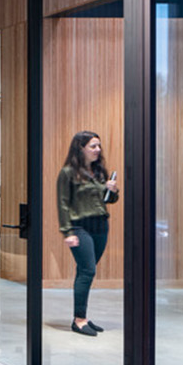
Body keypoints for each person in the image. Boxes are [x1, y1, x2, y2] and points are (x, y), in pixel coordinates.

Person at [57, 131, 119, 336]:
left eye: (98, 146)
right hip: (79, 226)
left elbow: (107, 201)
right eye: (93, 146)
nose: (98, 150)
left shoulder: (98, 171)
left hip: (100, 225)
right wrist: (67, 231)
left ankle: (82, 315)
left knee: (86, 271)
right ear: (80, 148)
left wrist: (112, 190)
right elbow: (63, 204)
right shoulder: (67, 173)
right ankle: (79, 320)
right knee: (87, 271)